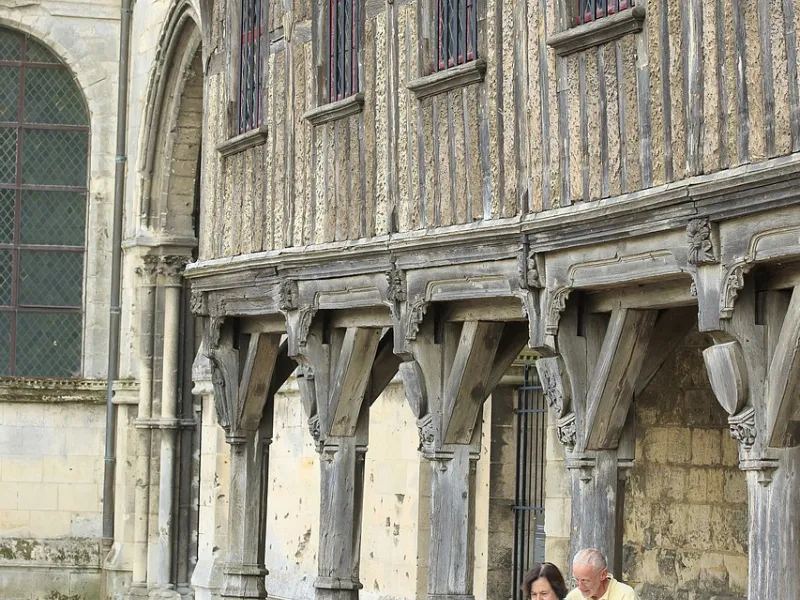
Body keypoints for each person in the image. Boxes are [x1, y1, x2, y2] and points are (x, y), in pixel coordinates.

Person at [565, 548, 638, 600]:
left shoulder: (625, 595)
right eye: (577, 580)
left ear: (603, 574)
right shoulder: (574, 596)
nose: (580, 587)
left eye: (585, 581)